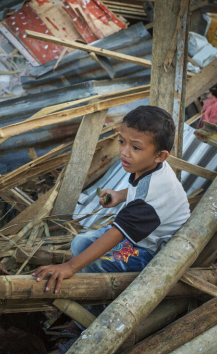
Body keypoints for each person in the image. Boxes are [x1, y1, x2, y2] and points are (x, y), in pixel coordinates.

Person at [32, 105, 191, 295]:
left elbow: (117, 233)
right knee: (79, 243)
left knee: (94, 263)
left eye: (136, 147)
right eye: (122, 141)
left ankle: (92, 313)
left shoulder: (152, 193)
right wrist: (120, 195)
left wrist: (70, 267)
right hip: (142, 236)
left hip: (155, 252)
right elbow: (139, 191)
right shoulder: (150, 168)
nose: (124, 152)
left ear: (160, 155)